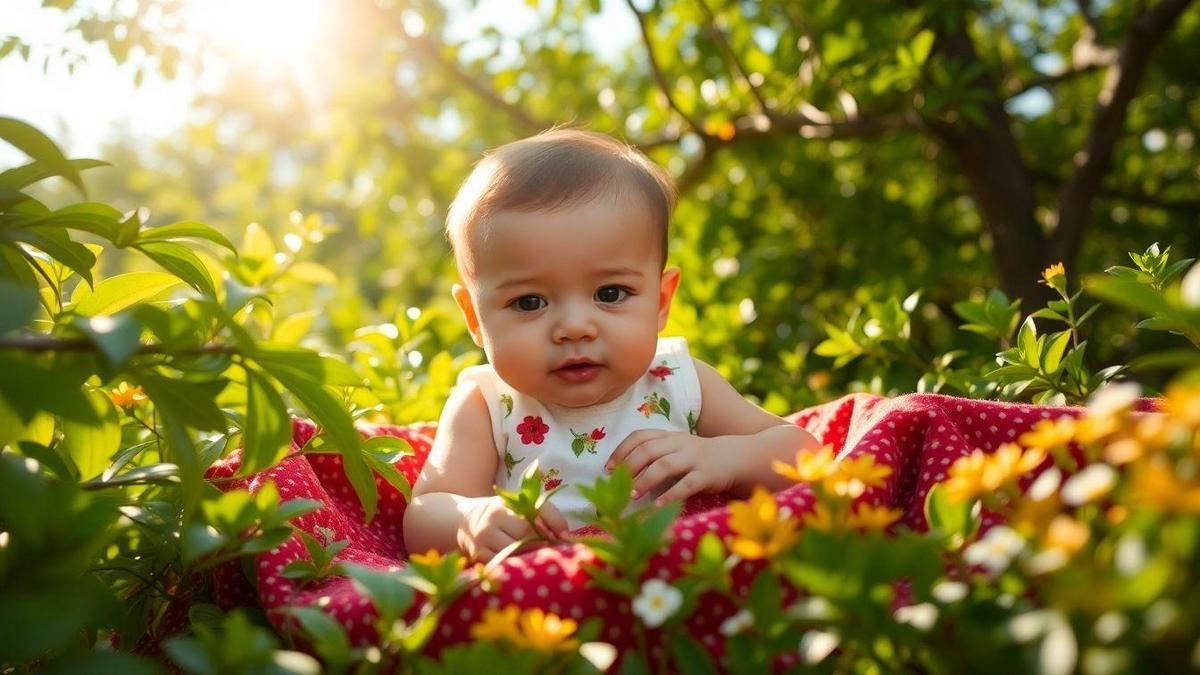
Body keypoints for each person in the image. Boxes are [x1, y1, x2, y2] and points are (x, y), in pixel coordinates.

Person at [404, 129, 818, 563]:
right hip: (552, 600)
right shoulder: (488, 404)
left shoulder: (677, 381)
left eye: (610, 294)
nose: (575, 328)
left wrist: (725, 456)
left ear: (660, 301)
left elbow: (801, 452)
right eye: (530, 302)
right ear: (474, 317)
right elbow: (426, 513)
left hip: (680, 581)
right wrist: (470, 518)